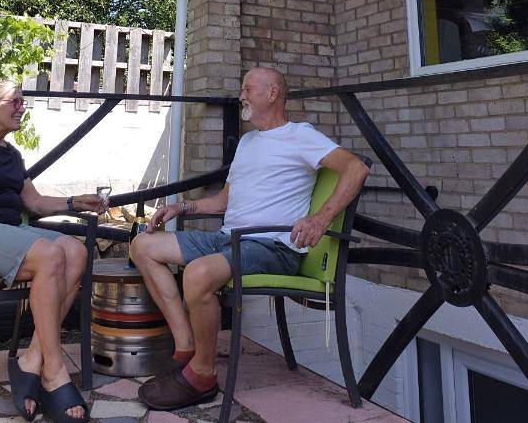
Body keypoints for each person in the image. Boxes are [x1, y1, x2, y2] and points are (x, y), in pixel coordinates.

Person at [130, 66, 369, 411]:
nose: (241, 96)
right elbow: (225, 201)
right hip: (229, 239)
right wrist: (182, 207)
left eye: (247, 88)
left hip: (271, 246)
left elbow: (355, 169)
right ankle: (185, 345)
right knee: (143, 245)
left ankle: (202, 374)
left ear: (272, 93)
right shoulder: (247, 142)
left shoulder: (300, 136)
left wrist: (320, 218)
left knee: (198, 273)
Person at [0, 80, 104, 423]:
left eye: (23, 102)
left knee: (76, 251)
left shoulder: (13, 154)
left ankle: (31, 360)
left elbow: (34, 201)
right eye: (16, 101)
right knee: (52, 255)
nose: (22, 107)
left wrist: (74, 201)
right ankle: (53, 371)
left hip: (6, 233)